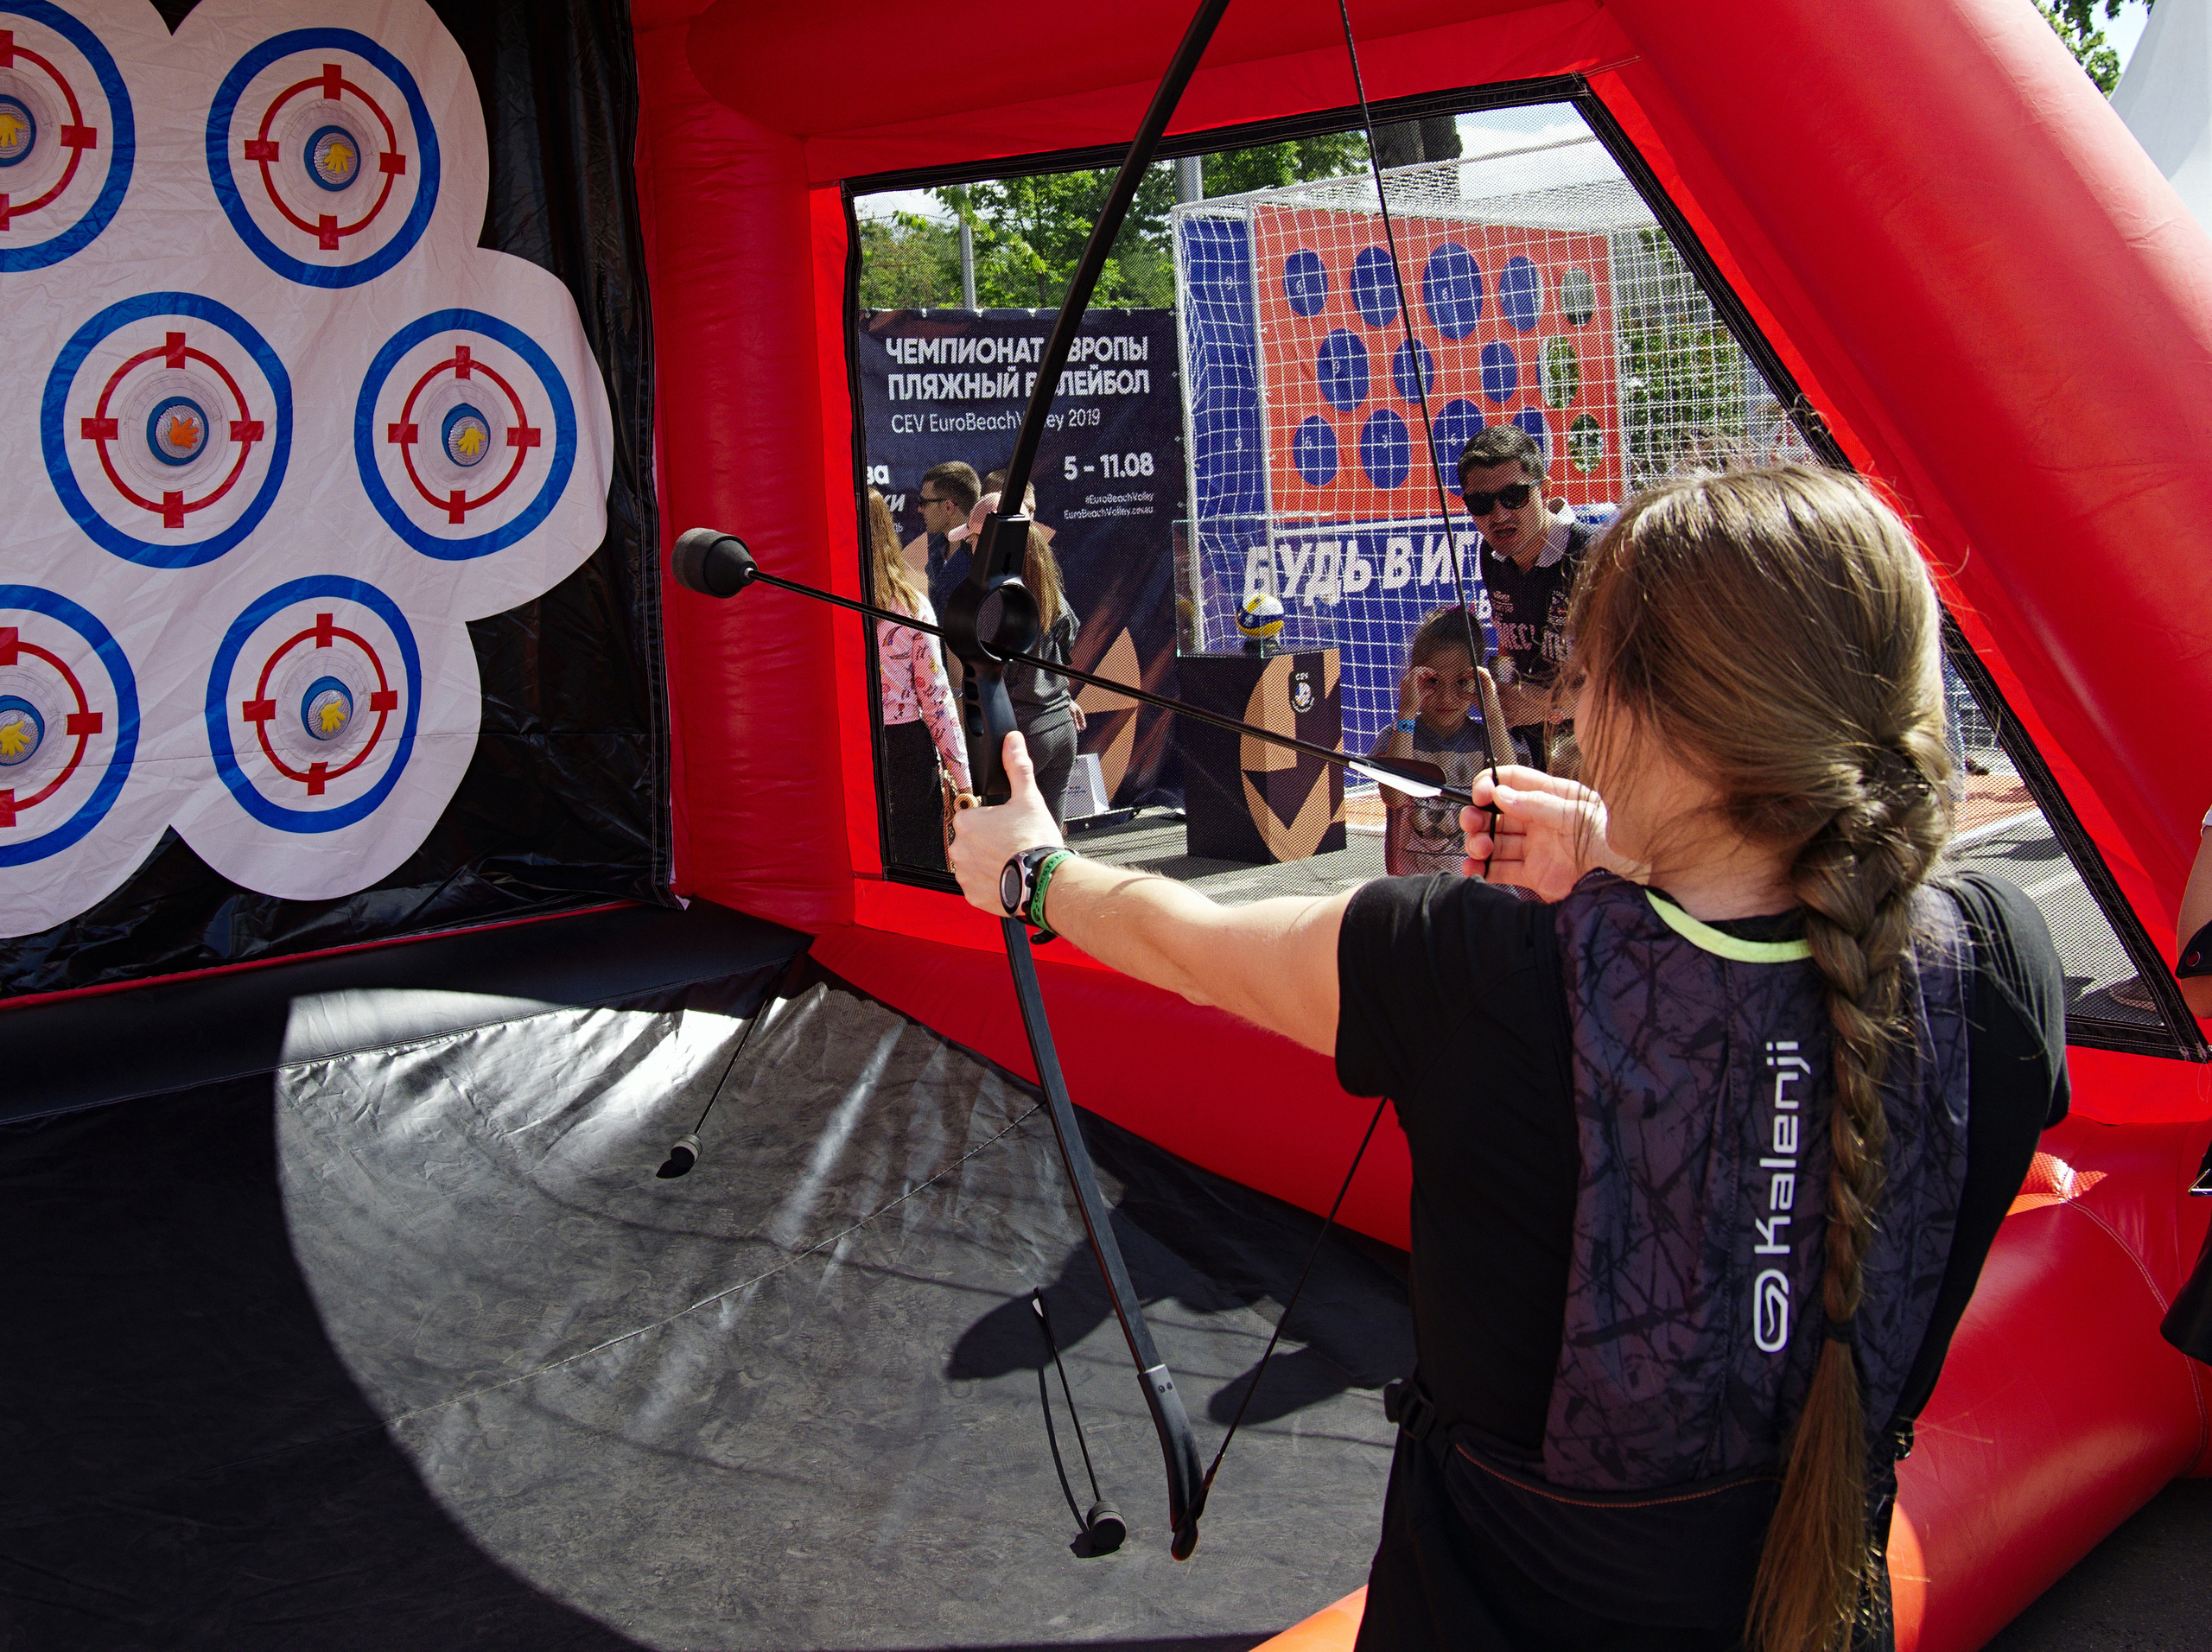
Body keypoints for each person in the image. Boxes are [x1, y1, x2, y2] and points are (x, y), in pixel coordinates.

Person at [950, 466, 2067, 1651]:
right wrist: (1624, 855)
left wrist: (1034, 871)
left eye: (1589, 677)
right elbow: (1766, 997)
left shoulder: (1474, 966)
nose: (1575, 705)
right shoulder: (2000, 959)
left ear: (1638, 711)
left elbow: (1192, 945)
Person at [1461, 424, 1591, 774]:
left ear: (1544, 491)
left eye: (1514, 496)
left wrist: (1546, 705)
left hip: (1597, 752)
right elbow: (1508, 637)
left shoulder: (1593, 554)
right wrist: (1499, 690)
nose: (1499, 515)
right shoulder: (1492, 554)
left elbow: (1630, 684)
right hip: (1536, 750)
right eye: (1481, 503)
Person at [962, 493, 1086, 828]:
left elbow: (986, 673)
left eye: (972, 539)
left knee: (1013, 844)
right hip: (1060, 726)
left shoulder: (995, 598)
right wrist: (1061, 695)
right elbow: (1064, 644)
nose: (969, 548)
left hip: (1020, 734)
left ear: (990, 541)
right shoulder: (1045, 585)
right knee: (1051, 842)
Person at [868, 486, 969, 870]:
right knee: (919, 868)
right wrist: (963, 779)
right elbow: (936, 698)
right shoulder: (911, 606)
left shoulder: (819, 604)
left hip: (845, 745)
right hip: (906, 747)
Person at [1370, 608, 1512, 876]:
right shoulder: (1396, 737)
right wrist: (1406, 713)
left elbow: (1508, 790)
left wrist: (1492, 713)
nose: (1447, 697)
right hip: (1413, 888)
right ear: (1413, 678)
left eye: (1461, 682)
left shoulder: (1488, 739)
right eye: (1433, 681)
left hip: (1476, 887)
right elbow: (1394, 797)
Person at [907, 461, 981, 618]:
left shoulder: (984, 558)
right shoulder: (937, 550)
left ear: (948, 507)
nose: (920, 509)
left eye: (924, 502)